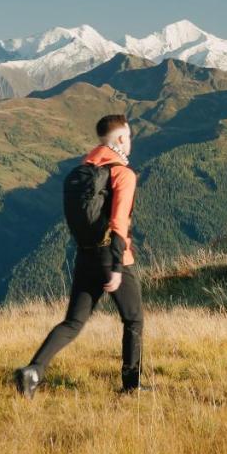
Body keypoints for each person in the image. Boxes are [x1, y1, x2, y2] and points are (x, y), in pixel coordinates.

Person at [15, 114, 145, 396]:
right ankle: (131, 388)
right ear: (121, 138)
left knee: (73, 322)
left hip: (85, 255)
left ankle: (34, 370)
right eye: (129, 136)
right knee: (133, 319)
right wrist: (116, 266)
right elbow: (119, 221)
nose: (130, 141)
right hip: (113, 256)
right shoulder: (122, 174)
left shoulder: (82, 171)